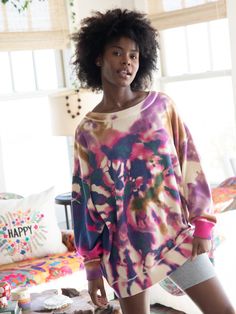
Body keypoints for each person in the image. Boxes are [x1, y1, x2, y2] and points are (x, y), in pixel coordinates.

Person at [71, 8, 235, 314]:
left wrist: (202, 224)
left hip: (175, 236)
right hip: (125, 252)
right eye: (117, 52)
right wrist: (92, 267)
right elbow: (85, 203)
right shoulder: (88, 131)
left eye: (134, 55)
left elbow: (191, 164)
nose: (127, 61)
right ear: (97, 58)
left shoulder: (161, 106)